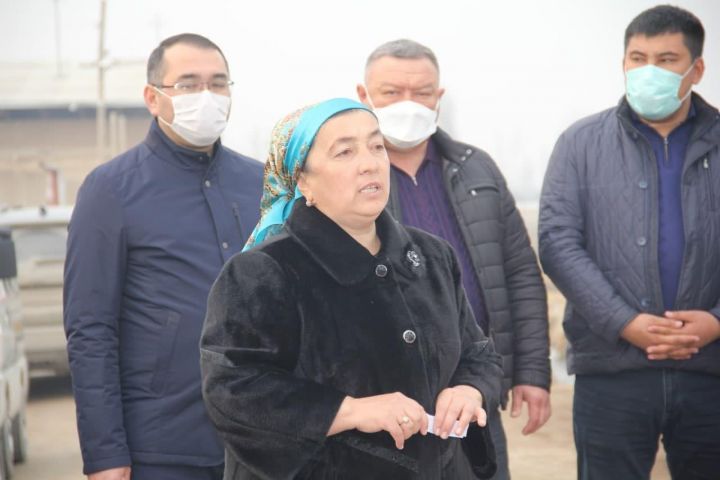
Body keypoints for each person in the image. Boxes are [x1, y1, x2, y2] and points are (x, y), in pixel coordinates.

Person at [200, 98, 504, 479]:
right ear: (303, 180)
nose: (369, 163)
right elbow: (232, 389)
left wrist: (469, 390)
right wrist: (350, 411)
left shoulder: (431, 256)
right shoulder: (263, 272)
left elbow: (478, 353)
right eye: (344, 152)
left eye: (376, 146)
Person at [64, 33, 263, 480]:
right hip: (163, 447)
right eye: (188, 84)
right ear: (153, 98)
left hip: (259, 441)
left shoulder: (259, 183)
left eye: (218, 83)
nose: (206, 96)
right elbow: (90, 329)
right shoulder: (111, 190)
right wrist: (105, 454)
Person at [355, 39, 551, 479]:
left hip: (474, 392)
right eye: (391, 92)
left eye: (422, 92)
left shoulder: (475, 168)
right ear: (364, 96)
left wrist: (532, 371)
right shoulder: (351, 179)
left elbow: (520, 272)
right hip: (388, 406)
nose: (408, 104)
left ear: (439, 96)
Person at [539, 5, 720, 479]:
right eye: (638, 59)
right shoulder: (580, 144)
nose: (649, 71)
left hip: (711, 369)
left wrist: (716, 322)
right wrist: (624, 322)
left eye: (667, 59)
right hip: (612, 372)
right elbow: (557, 241)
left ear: (697, 69)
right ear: (623, 63)